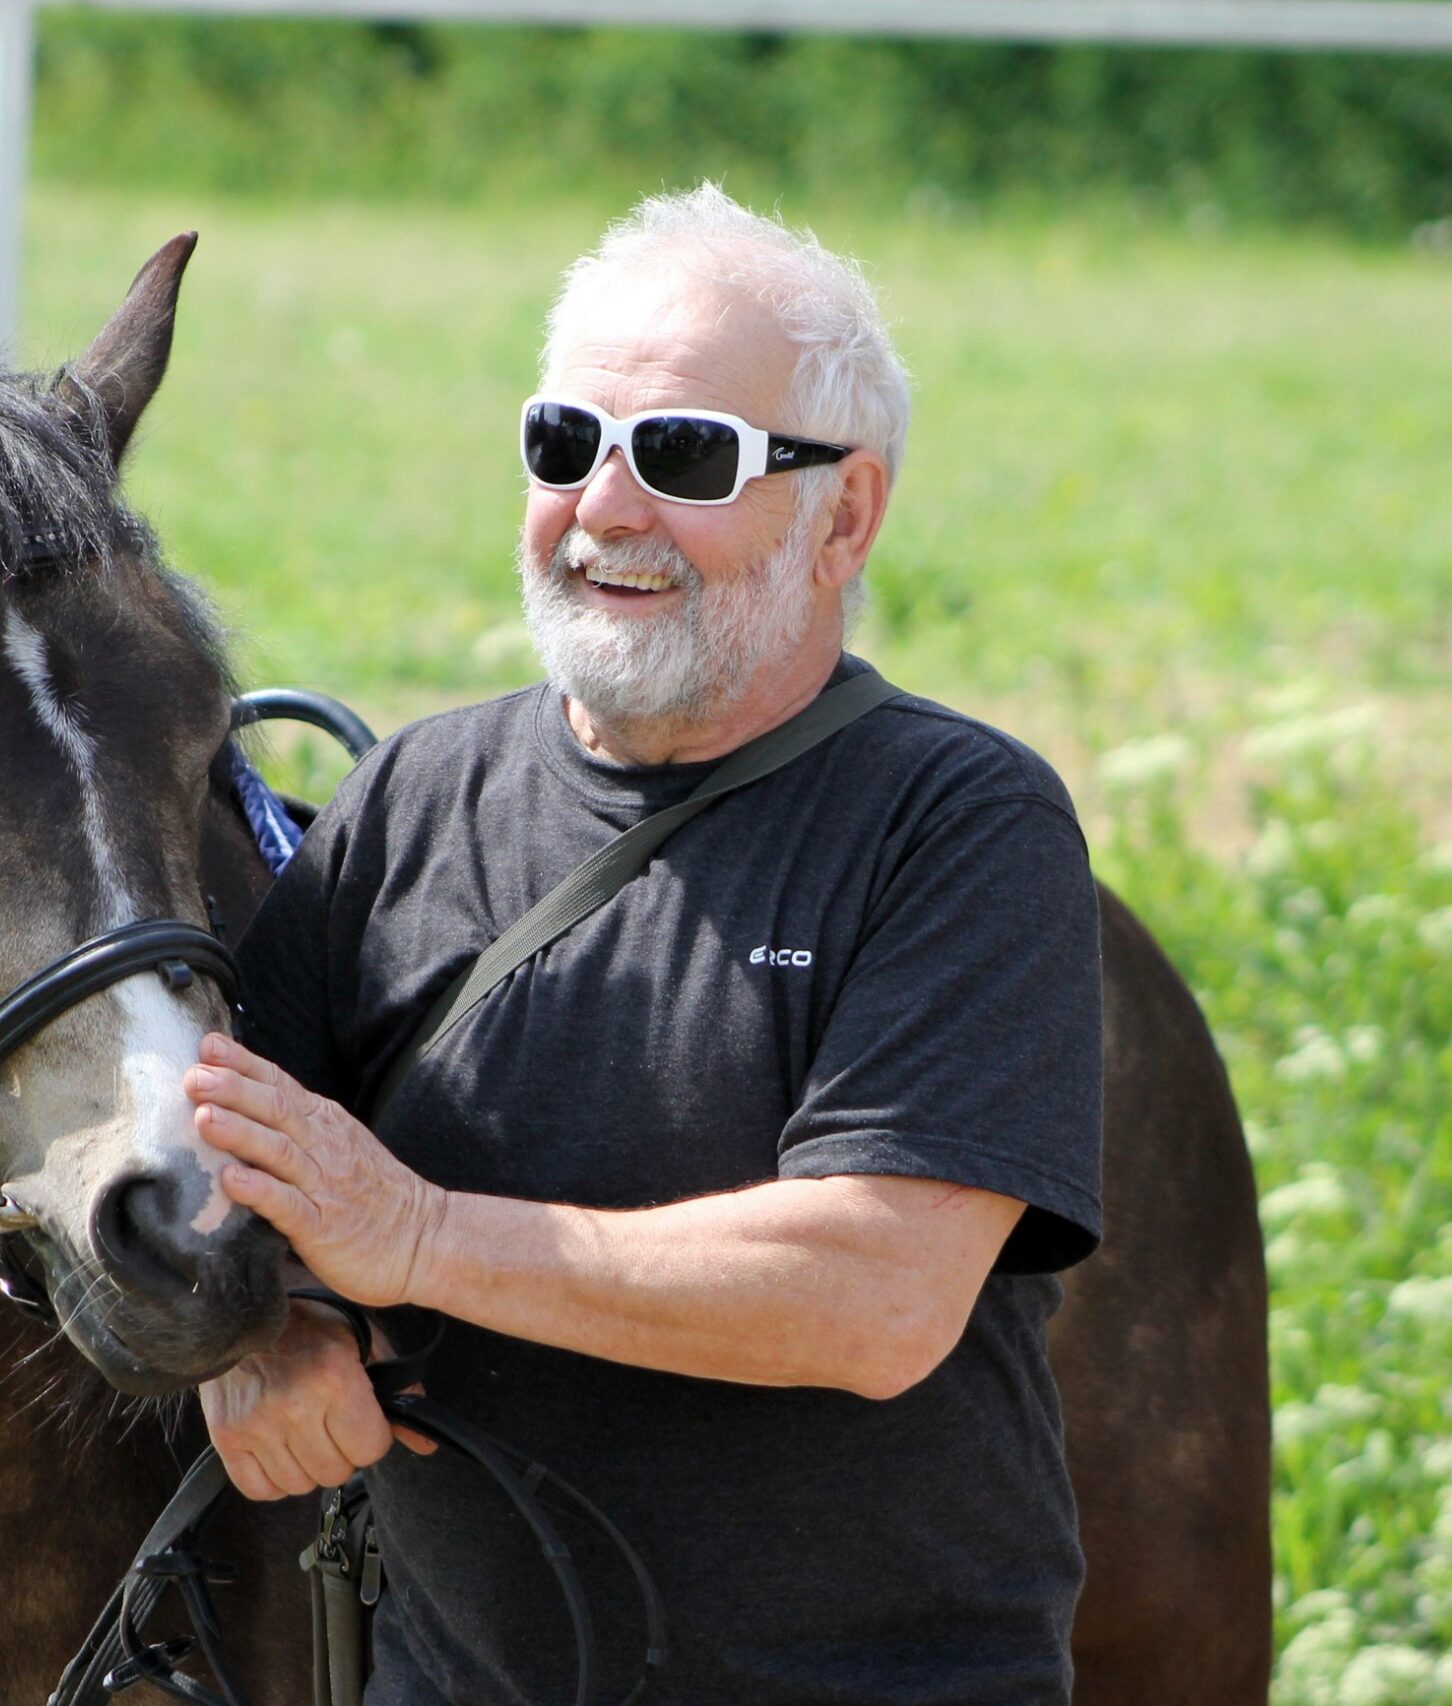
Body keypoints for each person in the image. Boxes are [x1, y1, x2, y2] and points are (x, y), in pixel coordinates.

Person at [182, 183, 1105, 1706]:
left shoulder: (962, 824)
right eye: (565, 441)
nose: (605, 508)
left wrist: (416, 1237)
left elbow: (875, 1294)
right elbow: (223, 1166)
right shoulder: (414, 797)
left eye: (683, 455)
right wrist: (259, 1331)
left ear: (848, 512)